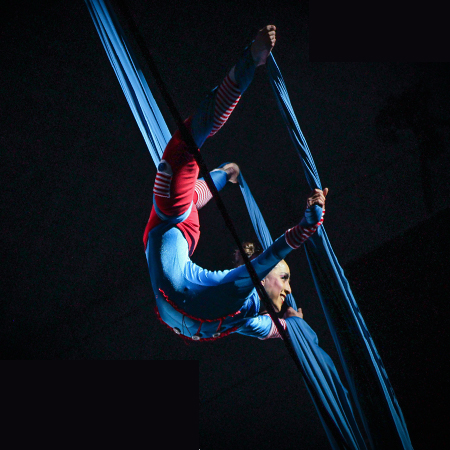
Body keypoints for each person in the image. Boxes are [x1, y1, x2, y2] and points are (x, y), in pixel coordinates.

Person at [143, 25, 328, 341]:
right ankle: (250, 63)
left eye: (284, 280)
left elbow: (274, 326)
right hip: (175, 227)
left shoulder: (241, 312)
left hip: (170, 235)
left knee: (186, 183)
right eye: (284, 280)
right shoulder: (242, 298)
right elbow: (276, 327)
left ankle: (223, 174)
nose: (287, 288)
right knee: (185, 154)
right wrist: (296, 327)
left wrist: (308, 227)